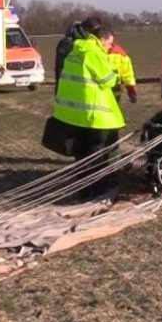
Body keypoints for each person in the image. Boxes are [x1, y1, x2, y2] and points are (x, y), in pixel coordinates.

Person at [52, 25, 125, 197]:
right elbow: (107, 80)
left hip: (76, 113)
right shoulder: (94, 54)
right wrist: (115, 70)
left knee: (82, 152)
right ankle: (95, 188)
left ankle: (82, 187)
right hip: (94, 114)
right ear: (101, 40)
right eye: (109, 43)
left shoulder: (75, 52)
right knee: (96, 154)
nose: (110, 47)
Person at [54, 16, 102, 86]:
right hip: (68, 89)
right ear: (87, 30)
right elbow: (62, 68)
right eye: (95, 32)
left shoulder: (86, 43)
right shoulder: (68, 43)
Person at [107, 38, 138, 104]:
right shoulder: (92, 52)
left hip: (114, 93)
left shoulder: (120, 54)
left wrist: (131, 91)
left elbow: (128, 74)